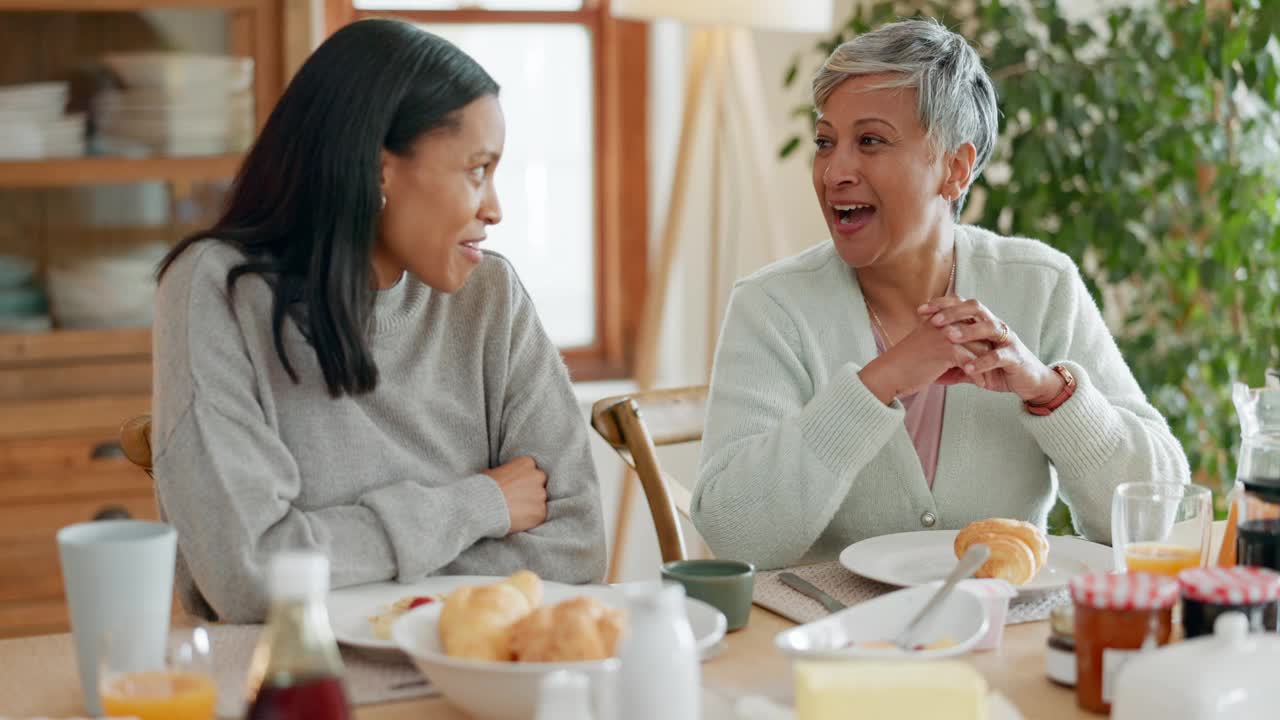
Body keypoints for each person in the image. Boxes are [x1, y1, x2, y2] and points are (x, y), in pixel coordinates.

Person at [692, 18, 1189, 570]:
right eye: (825, 142)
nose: (835, 171)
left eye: (871, 141)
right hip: (835, 641)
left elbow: (1156, 511)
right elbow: (734, 534)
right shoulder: (772, 307)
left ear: (955, 169)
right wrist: (880, 382)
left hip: (1006, 636)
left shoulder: (1040, 284)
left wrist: (1050, 392)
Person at [151, 19, 605, 622]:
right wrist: (479, 505)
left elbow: (576, 549)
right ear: (377, 168)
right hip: (293, 683)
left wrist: (342, 566)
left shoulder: (490, 296)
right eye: (476, 169)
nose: (495, 209)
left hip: (475, 671)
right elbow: (250, 573)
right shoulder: (217, 291)